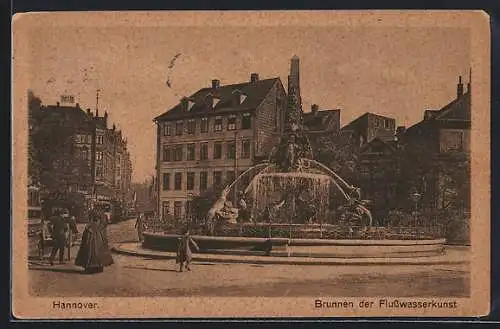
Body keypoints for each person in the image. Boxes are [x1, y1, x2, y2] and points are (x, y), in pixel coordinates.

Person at [75, 209, 114, 274]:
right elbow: (104, 236)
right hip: (100, 243)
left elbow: (85, 236)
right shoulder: (101, 226)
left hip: (91, 243)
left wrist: (84, 243)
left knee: (90, 254)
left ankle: (91, 267)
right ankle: (99, 267)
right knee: (100, 253)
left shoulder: (89, 226)